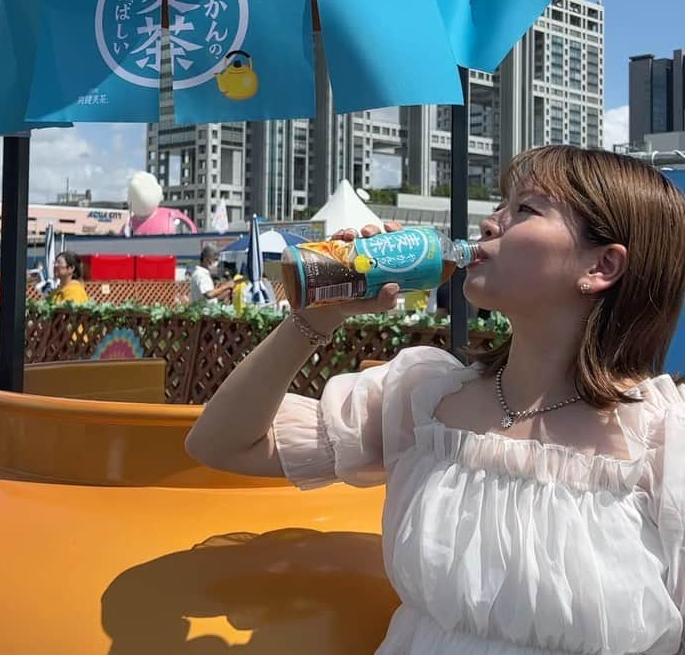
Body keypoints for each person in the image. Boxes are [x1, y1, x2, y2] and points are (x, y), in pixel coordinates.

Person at [185, 146, 685, 655]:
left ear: (603, 265)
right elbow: (220, 443)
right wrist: (318, 317)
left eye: (526, 209)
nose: (491, 224)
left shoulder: (666, 443)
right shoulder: (422, 397)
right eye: (500, 204)